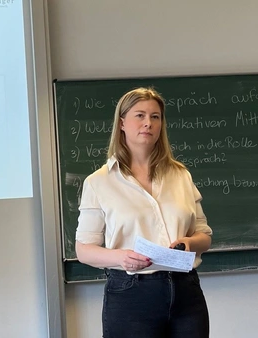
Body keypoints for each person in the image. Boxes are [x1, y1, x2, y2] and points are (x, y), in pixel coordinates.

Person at [75, 87, 213, 338]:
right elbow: (84, 249)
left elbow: (204, 235)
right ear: (122, 123)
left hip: (186, 290)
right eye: (140, 115)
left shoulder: (180, 174)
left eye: (155, 117)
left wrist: (189, 243)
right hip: (131, 292)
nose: (148, 123)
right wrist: (121, 257)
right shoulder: (99, 182)